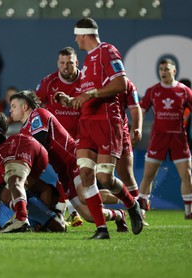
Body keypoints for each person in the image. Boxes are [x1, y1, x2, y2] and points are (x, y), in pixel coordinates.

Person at [55, 18, 144, 238]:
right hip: (87, 123)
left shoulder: (107, 51)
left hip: (106, 121)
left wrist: (91, 94)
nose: (76, 40)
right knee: (86, 174)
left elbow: (121, 84)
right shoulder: (88, 61)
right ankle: (101, 229)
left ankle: (132, 205)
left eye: (77, 36)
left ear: (84, 34)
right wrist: (71, 100)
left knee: (105, 178)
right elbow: (88, 93)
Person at [10, 90, 128, 237]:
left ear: (25, 107)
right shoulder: (24, 131)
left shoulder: (38, 114)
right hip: (63, 173)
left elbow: (39, 143)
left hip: (73, 160)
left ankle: (131, 199)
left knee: (85, 196)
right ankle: (119, 214)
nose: (10, 110)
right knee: (89, 216)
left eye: (13, 106)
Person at [139, 58, 192, 220]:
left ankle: (189, 211)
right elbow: (141, 109)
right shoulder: (153, 91)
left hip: (178, 138)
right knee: (148, 176)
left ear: (174, 71)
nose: (163, 72)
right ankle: (140, 213)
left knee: (187, 175)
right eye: (161, 69)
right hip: (158, 138)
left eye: (166, 69)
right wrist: (137, 128)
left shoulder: (184, 91)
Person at [0, 134, 56, 232]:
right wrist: (43, 221)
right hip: (40, 155)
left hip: (24, 144)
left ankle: (21, 217)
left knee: (14, 181)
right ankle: (54, 219)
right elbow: (46, 189)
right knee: (7, 195)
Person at [35, 46, 81, 139]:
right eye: (62, 63)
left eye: (69, 63)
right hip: (55, 139)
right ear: (57, 63)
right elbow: (34, 104)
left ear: (76, 63)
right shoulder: (48, 82)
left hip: (81, 138)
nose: (65, 67)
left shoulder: (87, 80)